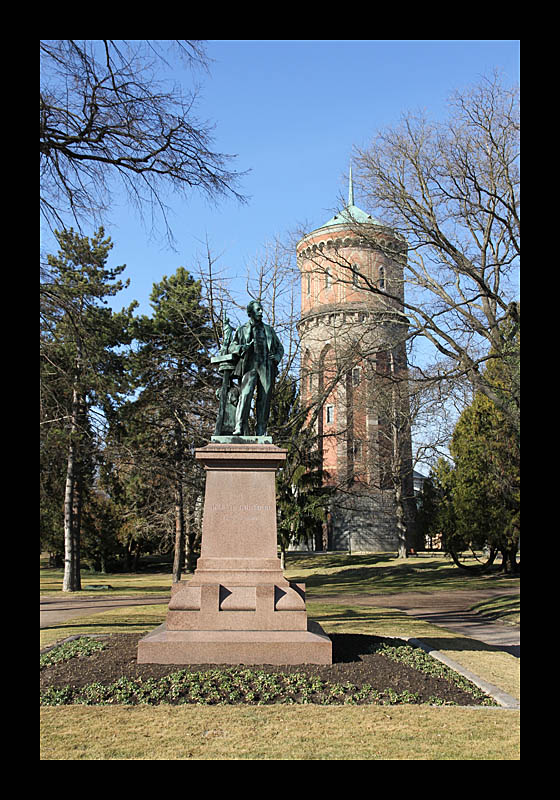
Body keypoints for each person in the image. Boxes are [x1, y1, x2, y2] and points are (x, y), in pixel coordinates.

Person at [228, 300, 284, 436]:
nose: (261, 312)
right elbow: (232, 347)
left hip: (265, 366)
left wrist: (276, 357)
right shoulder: (242, 330)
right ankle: (239, 426)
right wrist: (241, 348)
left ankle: (261, 430)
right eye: (258, 309)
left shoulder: (268, 330)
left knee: (264, 399)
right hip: (250, 367)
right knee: (245, 394)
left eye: (261, 309)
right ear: (250, 312)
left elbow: (280, 348)